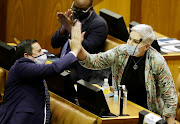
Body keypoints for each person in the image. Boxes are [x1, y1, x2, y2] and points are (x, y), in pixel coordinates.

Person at [77, 24, 178, 123]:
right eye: (129, 38)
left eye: (135, 41)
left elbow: (170, 96)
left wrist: (169, 121)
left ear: (146, 46)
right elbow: (93, 61)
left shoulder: (156, 61)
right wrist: (78, 48)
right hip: (122, 106)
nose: (129, 43)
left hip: (148, 114)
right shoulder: (121, 51)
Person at [0, 22, 83, 124]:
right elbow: (54, 68)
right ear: (27, 55)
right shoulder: (21, 66)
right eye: (39, 51)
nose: (43, 54)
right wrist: (74, 51)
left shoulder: (30, 69)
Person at [51, 0, 108, 82]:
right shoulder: (72, 17)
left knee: (56, 77)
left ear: (90, 9)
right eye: (75, 8)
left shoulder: (99, 24)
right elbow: (54, 44)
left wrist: (71, 29)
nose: (77, 11)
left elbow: (90, 49)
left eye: (81, 10)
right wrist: (63, 28)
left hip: (79, 69)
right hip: (62, 59)